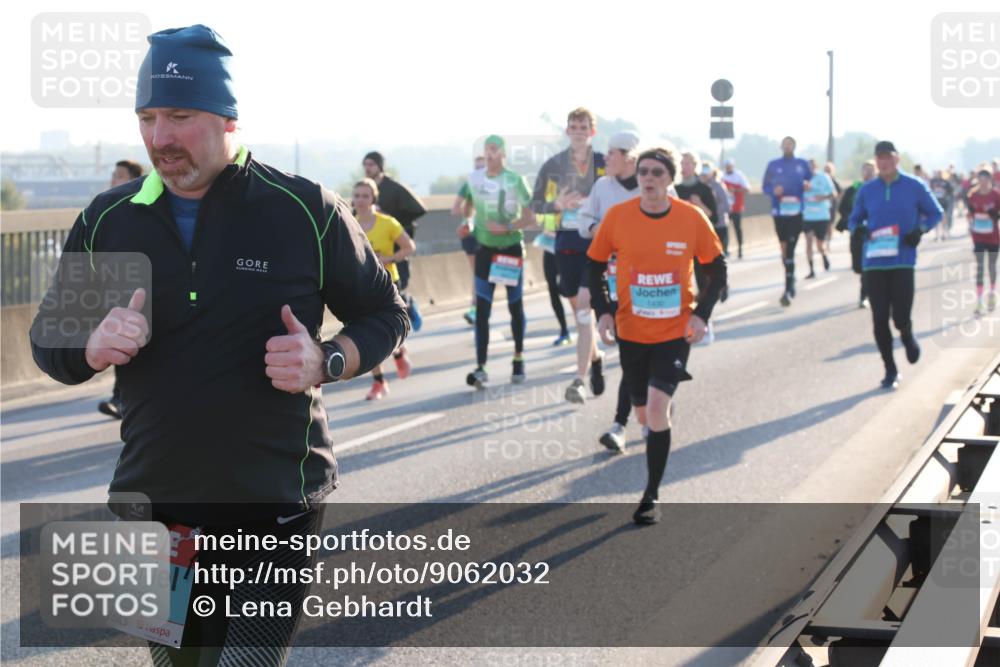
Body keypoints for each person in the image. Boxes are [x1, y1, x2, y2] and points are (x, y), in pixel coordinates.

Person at [30, 25, 409, 666]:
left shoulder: (304, 210)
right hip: (152, 509)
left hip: (274, 505)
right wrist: (91, 347)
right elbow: (49, 344)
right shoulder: (110, 219)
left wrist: (327, 359)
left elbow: (385, 312)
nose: (159, 137)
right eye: (147, 117)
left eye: (179, 115)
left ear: (228, 118)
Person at [588, 146, 726, 524]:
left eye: (657, 174)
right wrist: (603, 312)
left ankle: (651, 496)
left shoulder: (691, 218)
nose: (649, 179)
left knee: (655, 409)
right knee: (642, 414)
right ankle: (654, 418)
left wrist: (701, 316)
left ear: (670, 180)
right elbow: (595, 265)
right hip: (632, 329)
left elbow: (718, 270)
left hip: (674, 329)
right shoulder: (618, 218)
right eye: (644, 172)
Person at [848, 141, 942, 389]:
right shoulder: (868, 190)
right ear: (875, 161)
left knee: (900, 317)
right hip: (874, 263)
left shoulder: (914, 186)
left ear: (897, 159)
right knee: (879, 319)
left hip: (902, 261)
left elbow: (936, 213)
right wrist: (856, 229)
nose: (883, 162)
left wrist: (919, 231)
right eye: (879, 158)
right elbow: (854, 218)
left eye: (888, 157)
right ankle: (890, 369)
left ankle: (908, 335)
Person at [531, 107, 607, 401]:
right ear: (567, 131)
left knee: (586, 310)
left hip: (598, 241)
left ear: (592, 131)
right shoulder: (554, 165)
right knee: (580, 310)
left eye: (583, 126)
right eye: (573, 126)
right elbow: (536, 203)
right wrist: (558, 205)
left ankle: (579, 378)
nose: (578, 130)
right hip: (567, 242)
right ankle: (596, 357)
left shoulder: (603, 163)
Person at [576, 131, 641, 451]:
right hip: (613, 275)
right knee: (630, 353)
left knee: (650, 354)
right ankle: (620, 424)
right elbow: (583, 220)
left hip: (651, 281)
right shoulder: (602, 186)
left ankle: (659, 396)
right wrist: (599, 230)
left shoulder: (652, 184)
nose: (606, 159)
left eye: (612, 153)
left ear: (629, 157)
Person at [460, 134, 535, 388]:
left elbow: (531, 216)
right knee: (482, 312)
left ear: (503, 154)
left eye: (495, 150)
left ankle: (518, 359)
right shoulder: (475, 179)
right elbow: (467, 207)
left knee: (515, 307)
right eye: (487, 150)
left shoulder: (516, 180)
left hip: (510, 250)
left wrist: (507, 227)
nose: (490, 154)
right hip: (485, 252)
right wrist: (467, 223)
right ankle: (481, 367)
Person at [353, 178, 416, 399]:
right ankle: (379, 382)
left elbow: (409, 247)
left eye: (365, 196)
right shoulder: (348, 222)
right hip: (361, 285)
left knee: (386, 332)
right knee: (369, 334)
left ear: (373, 199)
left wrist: (388, 258)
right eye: (357, 195)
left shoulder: (388, 223)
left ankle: (398, 352)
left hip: (389, 283)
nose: (360, 200)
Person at [97, 159, 145, 419]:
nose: (114, 180)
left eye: (119, 175)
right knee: (121, 341)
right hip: (118, 286)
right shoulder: (106, 208)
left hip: (147, 289)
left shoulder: (150, 207)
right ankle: (121, 398)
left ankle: (123, 399)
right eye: (113, 175)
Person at [362, 150, 427, 330]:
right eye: (365, 165)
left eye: (371, 165)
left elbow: (419, 209)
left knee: (397, 289)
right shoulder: (364, 189)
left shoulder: (394, 188)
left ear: (380, 166)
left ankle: (408, 304)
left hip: (395, 247)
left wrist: (391, 220)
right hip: (374, 249)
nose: (367, 168)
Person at [675, 151, 719, 343]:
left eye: (687, 163)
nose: (684, 167)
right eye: (681, 163)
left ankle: (705, 323)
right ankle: (680, 326)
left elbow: (714, 217)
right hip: (678, 244)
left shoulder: (704, 189)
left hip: (699, 244)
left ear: (695, 166)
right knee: (681, 286)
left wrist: (699, 204)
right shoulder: (674, 189)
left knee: (703, 284)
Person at [762, 137, 813, 306]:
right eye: (785, 143)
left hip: (796, 212)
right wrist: (773, 190)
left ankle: (788, 288)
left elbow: (810, 181)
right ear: (781, 146)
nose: (787, 146)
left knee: (790, 247)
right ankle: (790, 274)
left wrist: (807, 185)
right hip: (779, 211)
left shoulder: (802, 163)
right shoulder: (773, 165)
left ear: (795, 146)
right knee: (784, 248)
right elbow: (765, 186)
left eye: (790, 143)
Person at [836, 160, 877, 308]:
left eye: (871, 169)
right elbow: (842, 207)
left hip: (874, 233)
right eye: (865, 169)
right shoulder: (855, 188)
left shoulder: (881, 187)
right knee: (858, 266)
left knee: (868, 265)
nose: (868, 172)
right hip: (857, 231)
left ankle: (864, 294)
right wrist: (852, 220)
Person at [454, 156, 485, 325]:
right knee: (478, 273)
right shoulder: (469, 185)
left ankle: (480, 306)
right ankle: (476, 308)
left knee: (485, 274)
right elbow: (455, 208)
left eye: (482, 168)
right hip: (472, 233)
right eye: (477, 168)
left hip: (491, 234)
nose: (479, 171)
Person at [966, 168, 1000, 315]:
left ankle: (992, 294)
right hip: (978, 235)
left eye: (986, 180)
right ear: (978, 181)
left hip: (993, 236)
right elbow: (969, 214)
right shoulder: (972, 196)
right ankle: (979, 301)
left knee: (991, 266)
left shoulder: (996, 195)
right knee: (979, 266)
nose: (983, 183)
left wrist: (996, 215)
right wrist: (971, 221)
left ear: (990, 180)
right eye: (980, 180)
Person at [802, 158, 836, 278]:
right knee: (808, 241)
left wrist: (822, 197)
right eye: (807, 167)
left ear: (816, 167)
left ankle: (824, 256)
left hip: (821, 215)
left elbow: (833, 194)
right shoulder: (802, 179)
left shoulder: (824, 177)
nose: (810, 169)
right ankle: (811, 269)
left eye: (812, 167)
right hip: (807, 216)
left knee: (819, 244)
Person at [700, 161, 731, 257]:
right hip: (703, 224)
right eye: (702, 170)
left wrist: (712, 211)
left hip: (718, 225)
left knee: (717, 256)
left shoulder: (718, 186)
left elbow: (726, 205)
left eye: (706, 170)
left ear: (712, 172)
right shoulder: (698, 186)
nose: (704, 173)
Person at [722, 158, 750, 259]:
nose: (728, 167)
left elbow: (747, 188)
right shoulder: (722, 176)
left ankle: (740, 249)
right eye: (727, 166)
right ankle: (725, 249)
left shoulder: (739, 175)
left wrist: (736, 190)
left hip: (737, 206)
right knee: (724, 228)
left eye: (730, 165)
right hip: (725, 207)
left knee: (738, 228)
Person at [929, 169, 955, 241]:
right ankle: (937, 235)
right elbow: (929, 190)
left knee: (944, 218)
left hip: (944, 201)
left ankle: (943, 233)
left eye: (940, 173)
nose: (939, 175)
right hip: (936, 201)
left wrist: (946, 195)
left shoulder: (945, 182)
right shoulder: (933, 181)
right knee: (936, 218)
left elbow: (950, 191)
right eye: (938, 173)